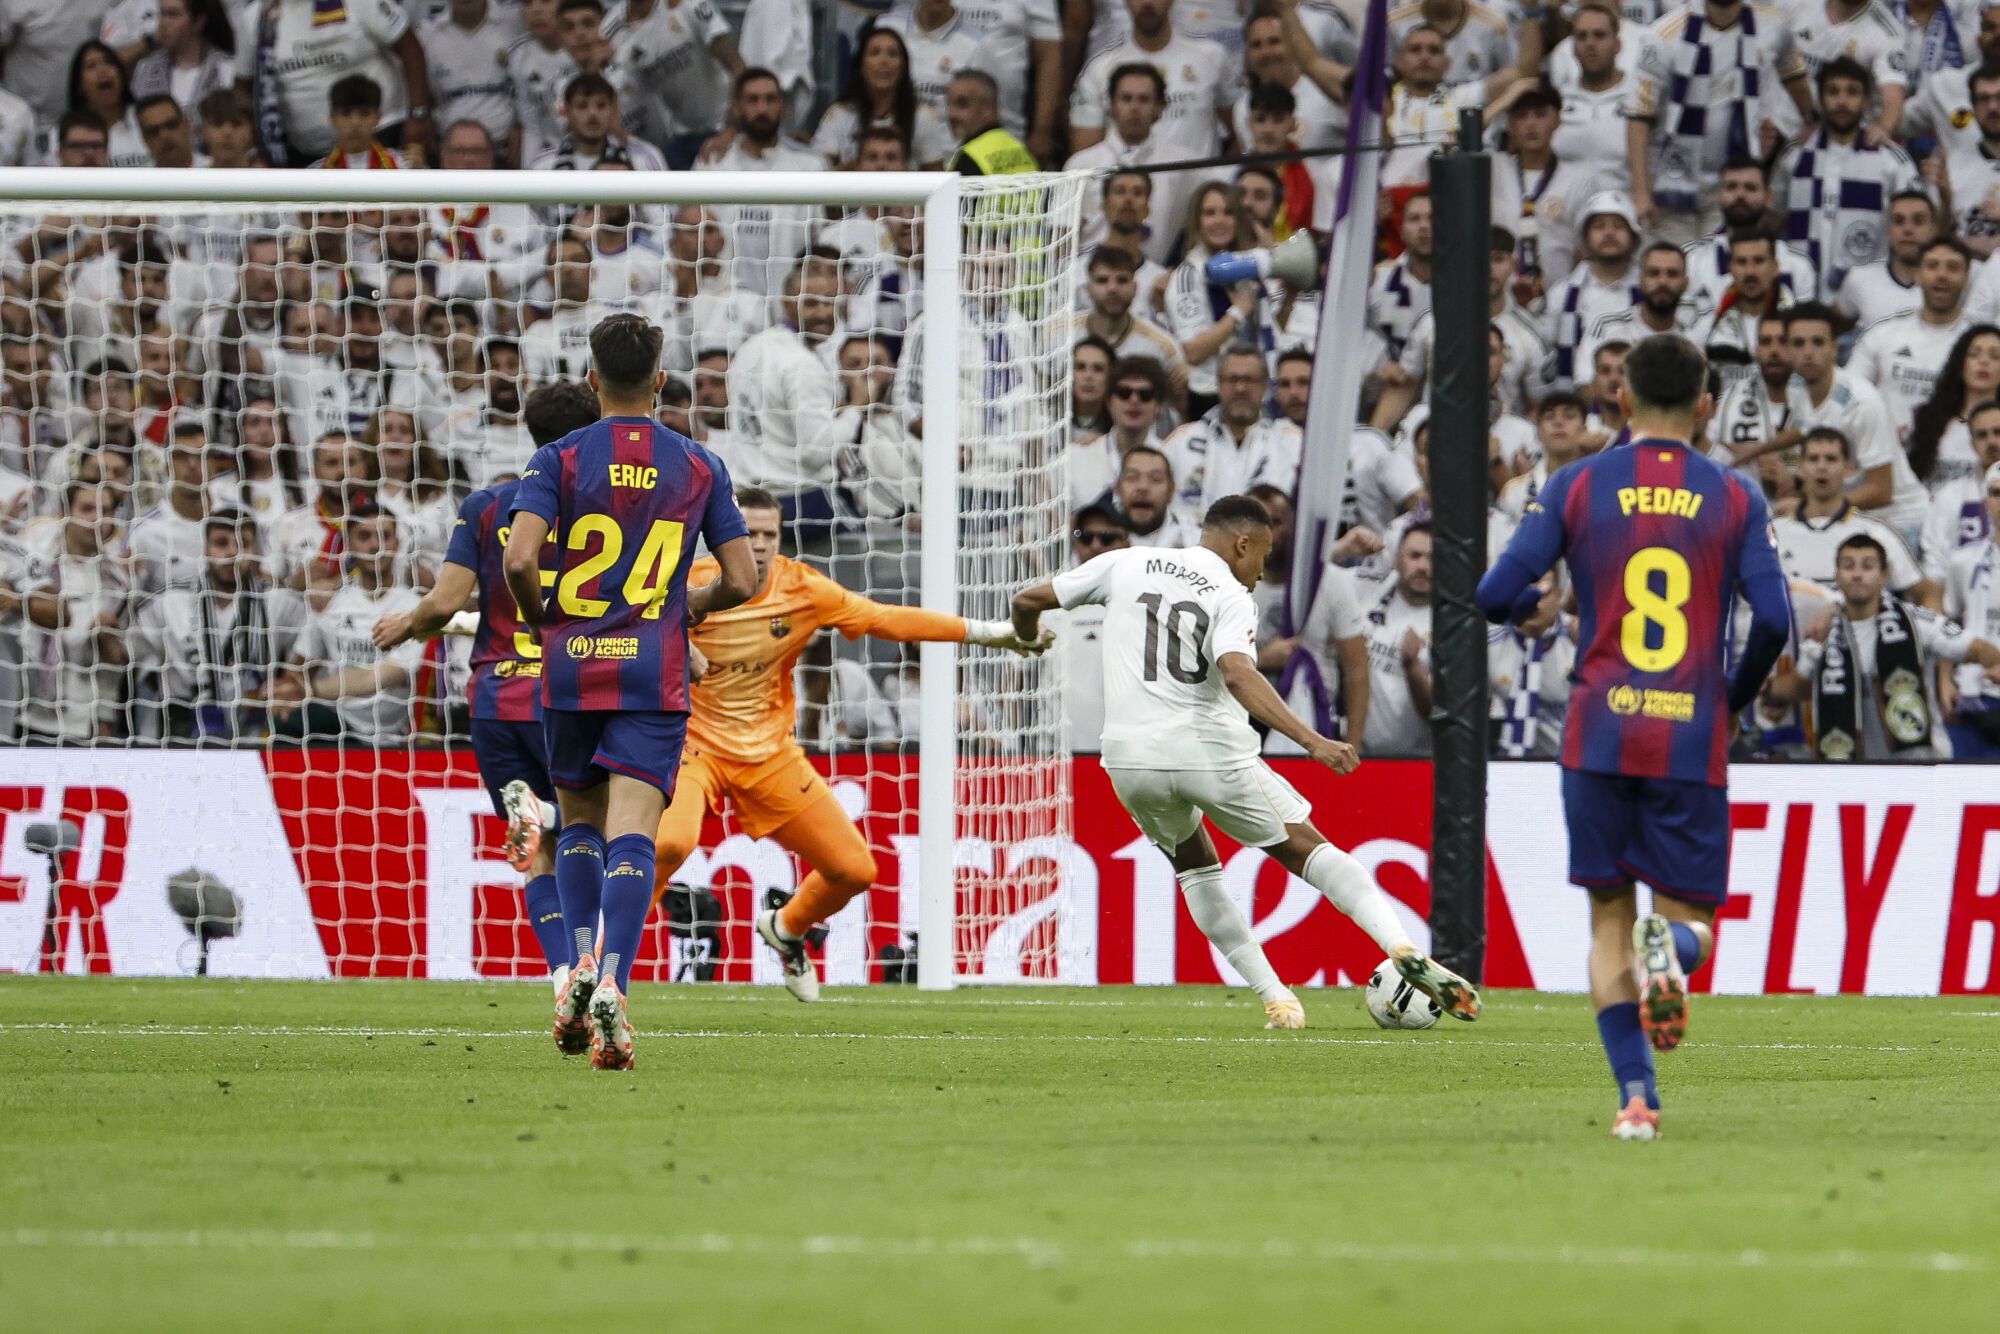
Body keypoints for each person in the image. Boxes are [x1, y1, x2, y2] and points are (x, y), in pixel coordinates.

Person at [1478, 333, 1793, 1142]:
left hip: (1598, 733)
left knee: (1606, 925)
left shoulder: (1578, 482)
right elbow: (1776, 622)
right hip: (1690, 735)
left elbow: (1493, 592)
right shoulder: (1734, 495)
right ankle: (1676, 948)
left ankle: (1637, 1100)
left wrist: (1525, 611)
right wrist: (1730, 699)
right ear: (1706, 405)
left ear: (1620, 401)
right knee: (1690, 925)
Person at [1010, 494, 1481, 1030]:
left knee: (1195, 869)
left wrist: (1026, 642)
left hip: (1127, 760)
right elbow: (1237, 672)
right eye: (1262, 554)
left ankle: (1276, 997)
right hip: (1207, 751)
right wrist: (1312, 740)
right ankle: (1400, 947)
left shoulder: (1127, 561)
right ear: (1242, 543)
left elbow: (1027, 600)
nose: (1260, 571)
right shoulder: (1231, 596)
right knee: (1312, 851)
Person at [656, 486, 1049, 1000]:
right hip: (693, 747)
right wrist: (679, 644)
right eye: (746, 533)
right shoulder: (690, 584)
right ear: (722, 536)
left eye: (768, 534)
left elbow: (885, 619)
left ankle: (787, 928)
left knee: (854, 870)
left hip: (769, 755)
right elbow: (633, 624)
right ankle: (599, 962)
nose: (757, 545)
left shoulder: (802, 589)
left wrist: (993, 633)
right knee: (668, 844)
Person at [502, 314, 758, 1071]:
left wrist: (545, 619)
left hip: (573, 665)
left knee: (575, 826)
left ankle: (578, 964)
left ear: (590, 380)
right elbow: (744, 578)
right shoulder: (699, 465)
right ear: (660, 382)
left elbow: (519, 560)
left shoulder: (557, 458)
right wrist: (691, 608)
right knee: (634, 836)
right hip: (653, 671)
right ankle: (615, 981)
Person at [374, 380, 601, 1040]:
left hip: (497, 697)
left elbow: (444, 602)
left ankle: (564, 976)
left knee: (541, 855)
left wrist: (410, 626)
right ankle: (553, 824)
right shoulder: (608, 511)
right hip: (572, 693)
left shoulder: (487, 505)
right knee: (603, 834)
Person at [1765, 532, 2000, 758]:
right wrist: (1763, 690)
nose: (1857, 575)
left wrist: (1997, 663)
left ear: (1884, 575)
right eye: (1848, 566)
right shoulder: (1824, 631)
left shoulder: (1915, 622)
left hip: (1922, 764)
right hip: (1854, 770)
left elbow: (1975, 647)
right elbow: (1801, 686)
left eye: (1867, 567)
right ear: (1836, 575)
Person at [1625, 0, 1812, 245]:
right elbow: (1639, 115)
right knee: (1671, 271)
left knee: (1721, 271)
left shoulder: (1773, 26)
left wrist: (1811, 121)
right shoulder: (1661, 35)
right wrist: (1641, 193)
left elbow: (1794, 77)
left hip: (1733, 185)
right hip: (1670, 185)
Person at [1773, 58, 1919, 296]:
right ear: (1820, 99)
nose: (1842, 101)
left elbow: (1915, 223)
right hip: (1802, 295)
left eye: (1852, 92)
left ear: (1866, 101)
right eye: (1833, 92)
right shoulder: (1795, 155)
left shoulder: (1890, 160)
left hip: (1866, 296)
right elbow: (1774, 219)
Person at [239, 0, 436, 167]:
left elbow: (411, 50)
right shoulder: (256, 17)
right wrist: (254, 147)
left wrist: (418, 114)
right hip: (304, 150)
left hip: (382, 133)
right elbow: (244, 85)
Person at [1772, 426, 1935, 606]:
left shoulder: (1876, 532)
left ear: (1849, 467)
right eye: (1813, 459)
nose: (1821, 467)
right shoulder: (1773, 532)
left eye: (1831, 459)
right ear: (1800, 467)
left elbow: (1928, 593)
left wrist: (1923, 633)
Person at [1846, 238, 1975, 435]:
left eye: (1953, 268)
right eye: (1932, 266)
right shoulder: (1882, 334)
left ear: (1967, 279)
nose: (1942, 275)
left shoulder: (1981, 344)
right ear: (1918, 275)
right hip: (1887, 453)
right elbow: (1848, 391)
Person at [810, 24, 952, 169]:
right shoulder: (840, 115)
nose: (884, 61)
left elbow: (936, 180)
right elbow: (820, 174)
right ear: (861, 65)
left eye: (892, 54)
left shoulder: (922, 117)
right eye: (874, 53)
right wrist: (860, 166)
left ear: (903, 66)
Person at [1941, 462, 2000, 757]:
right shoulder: (1963, 561)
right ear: (1986, 501)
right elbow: (1948, 625)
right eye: (1996, 493)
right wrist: (1944, 680)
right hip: (1972, 695)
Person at [944, 67, 1037, 173]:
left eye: (962, 104)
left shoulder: (970, 157)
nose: (951, 114)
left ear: (988, 108)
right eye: (948, 104)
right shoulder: (1020, 150)